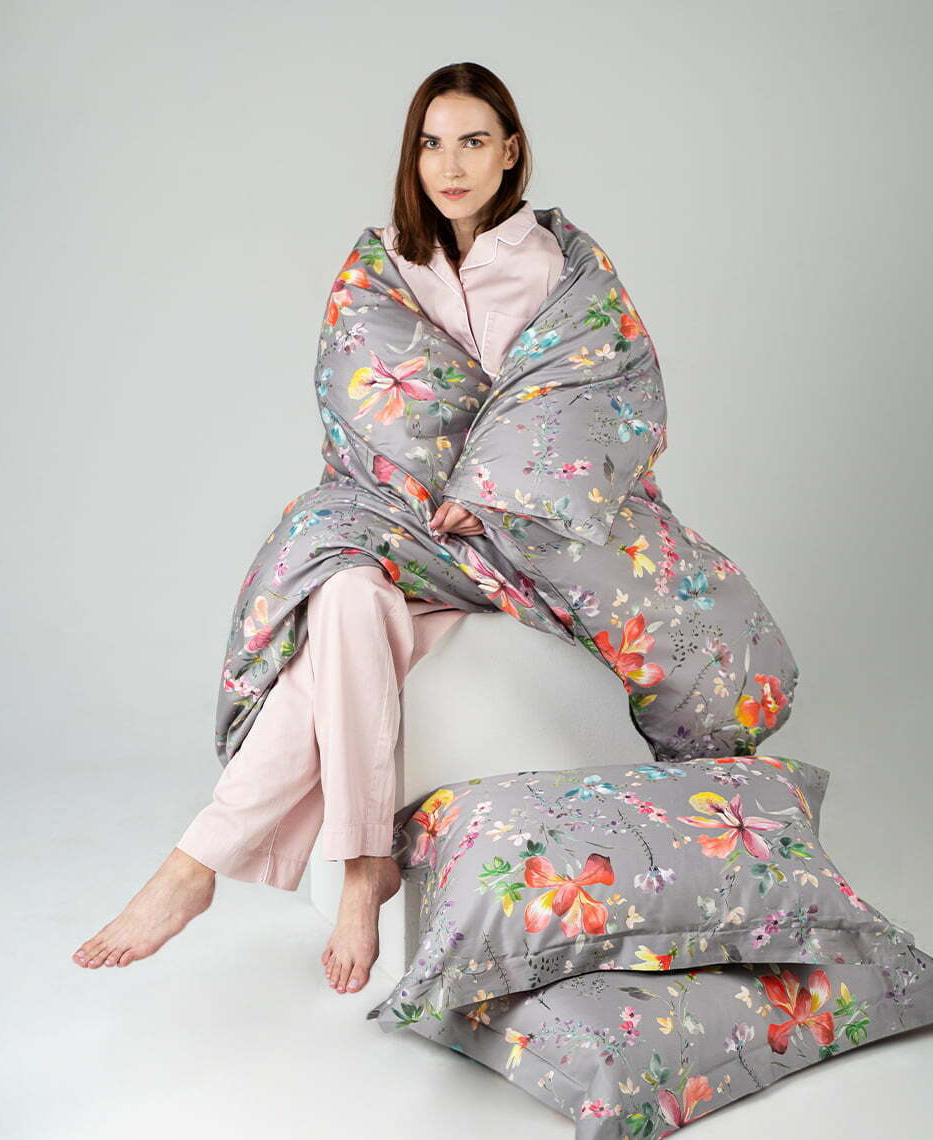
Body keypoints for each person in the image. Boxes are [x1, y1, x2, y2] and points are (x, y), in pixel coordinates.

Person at [71, 62, 564, 996]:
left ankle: (195, 863)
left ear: (511, 152)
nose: (450, 165)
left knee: (337, 617)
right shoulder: (384, 263)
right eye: (430, 144)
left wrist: (492, 485)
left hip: (493, 541)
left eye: (472, 142)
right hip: (393, 521)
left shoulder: (549, 268)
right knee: (341, 597)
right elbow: (361, 395)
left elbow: (571, 399)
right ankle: (363, 866)